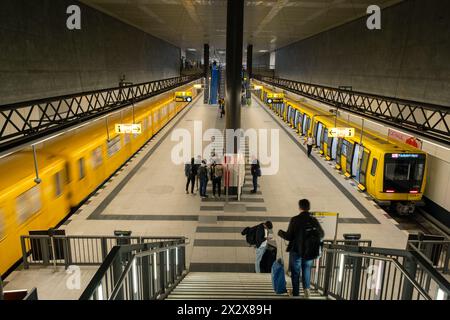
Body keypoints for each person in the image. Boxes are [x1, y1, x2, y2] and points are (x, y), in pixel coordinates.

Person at [278, 199, 324, 298]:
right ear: (308, 208)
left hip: (296, 250)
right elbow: (322, 234)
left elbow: (289, 236)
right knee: (307, 270)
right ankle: (307, 291)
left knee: (296, 272)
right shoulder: (314, 220)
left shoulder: (295, 219)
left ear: (300, 207)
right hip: (310, 251)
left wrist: (280, 232)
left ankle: (296, 294)